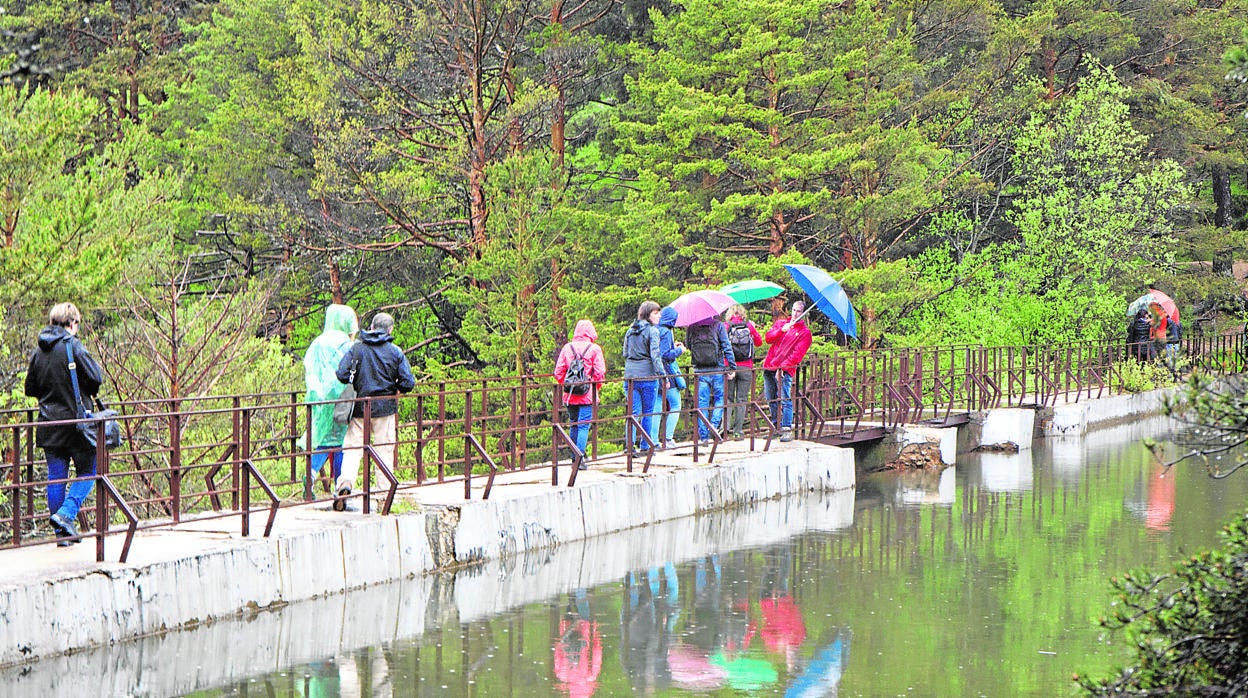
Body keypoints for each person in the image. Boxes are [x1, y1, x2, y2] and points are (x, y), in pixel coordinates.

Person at [24, 302, 104, 546]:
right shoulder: (72, 345)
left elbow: (30, 388)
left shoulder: (39, 351)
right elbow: (95, 379)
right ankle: (66, 514)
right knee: (91, 470)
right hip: (76, 425)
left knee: (56, 476)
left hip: (49, 425)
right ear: (72, 323)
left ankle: (63, 536)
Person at [334, 312, 416, 511]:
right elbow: (408, 383)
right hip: (385, 408)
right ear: (390, 330)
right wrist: (395, 387)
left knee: (353, 448)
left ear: (371, 327)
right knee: (384, 451)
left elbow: (341, 374)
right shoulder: (395, 352)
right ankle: (383, 497)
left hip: (360, 407)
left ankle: (345, 483)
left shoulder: (357, 349)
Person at [303, 304, 359, 489]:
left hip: (318, 399)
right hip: (342, 399)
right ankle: (339, 485)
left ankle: (310, 473)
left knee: (322, 437)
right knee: (340, 441)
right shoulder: (346, 345)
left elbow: (309, 368)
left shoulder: (317, 343)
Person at [554, 320, 606, 470]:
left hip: (570, 394)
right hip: (587, 393)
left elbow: (558, 372)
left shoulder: (567, 348)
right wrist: (594, 387)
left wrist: (568, 384)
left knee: (574, 424)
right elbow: (600, 372)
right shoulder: (594, 349)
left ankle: (573, 457)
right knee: (584, 426)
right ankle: (580, 458)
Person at [763, 300, 812, 442]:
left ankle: (786, 429)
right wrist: (781, 330)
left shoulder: (805, 333)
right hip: (770, 365)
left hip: (785, 369)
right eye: (794, 310)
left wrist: (782, 368)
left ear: (803, 314)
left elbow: (796, 355)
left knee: (785, 399)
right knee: (771, 398)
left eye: (798, 311)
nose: (795, 313)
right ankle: (775, 427)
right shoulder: (781, 323)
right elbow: (768, 338)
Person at [686, 315, 737, 444]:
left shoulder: (692, 327)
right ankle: (713, 427)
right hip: (717, 368)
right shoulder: (718, 325)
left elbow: (689, 345)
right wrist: (732, 366)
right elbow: (726, 345)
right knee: (720, 398)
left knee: (702, 403)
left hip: (700, 369)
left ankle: (703, 437)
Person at [622, 301, 664, 453]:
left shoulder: (630, 331)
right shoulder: (652, 331)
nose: (659, 315)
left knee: (633, 413)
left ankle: (629, 446)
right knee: (648, 412)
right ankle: (645, 446)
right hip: (648, 377)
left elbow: (625, 353)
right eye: (655, 313)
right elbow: (655, 355)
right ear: (648, 314)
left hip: (630, 376)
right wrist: (663, 375)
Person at [723, 304, 763, 440]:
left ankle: (725, 429)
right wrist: (753, 329)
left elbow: (720, 344)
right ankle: (738, 431)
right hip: (746, 367)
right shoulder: (748, 326)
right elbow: (759, 342)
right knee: (742, 399)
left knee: (728, 398)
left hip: (729, 366)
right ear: (742, 313)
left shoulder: (726, 326)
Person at [657, 306, 686, 449]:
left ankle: (653, 440)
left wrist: (672, 346)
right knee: (675, 404)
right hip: (667, 373)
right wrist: (679, 350)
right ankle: (668, 438)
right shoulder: (667, 332)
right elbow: (666, 355)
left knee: (656, 407)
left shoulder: (655, 329)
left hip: (655, 373)